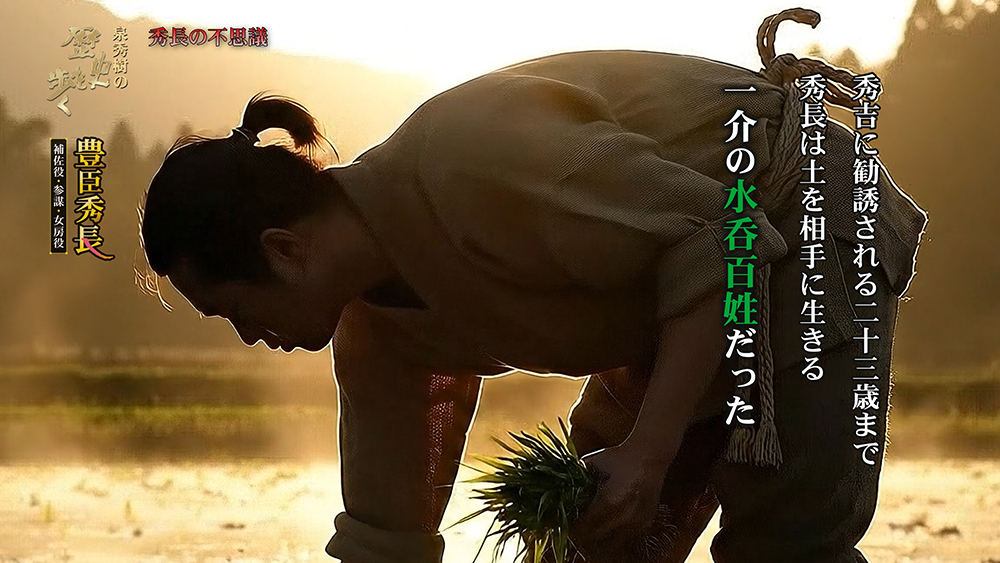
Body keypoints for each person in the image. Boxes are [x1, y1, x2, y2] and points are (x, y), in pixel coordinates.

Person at [138, 9, 926, 563]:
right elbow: (385, 538)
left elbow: (719, 238)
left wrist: (649, 451)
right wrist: (638, 460)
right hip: (671, 305)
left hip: (799, 222)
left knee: (784, 548)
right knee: (582, 545)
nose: (250, 336)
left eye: (234, 310)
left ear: (284, 251)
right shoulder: (375, 334)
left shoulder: (475, 159)